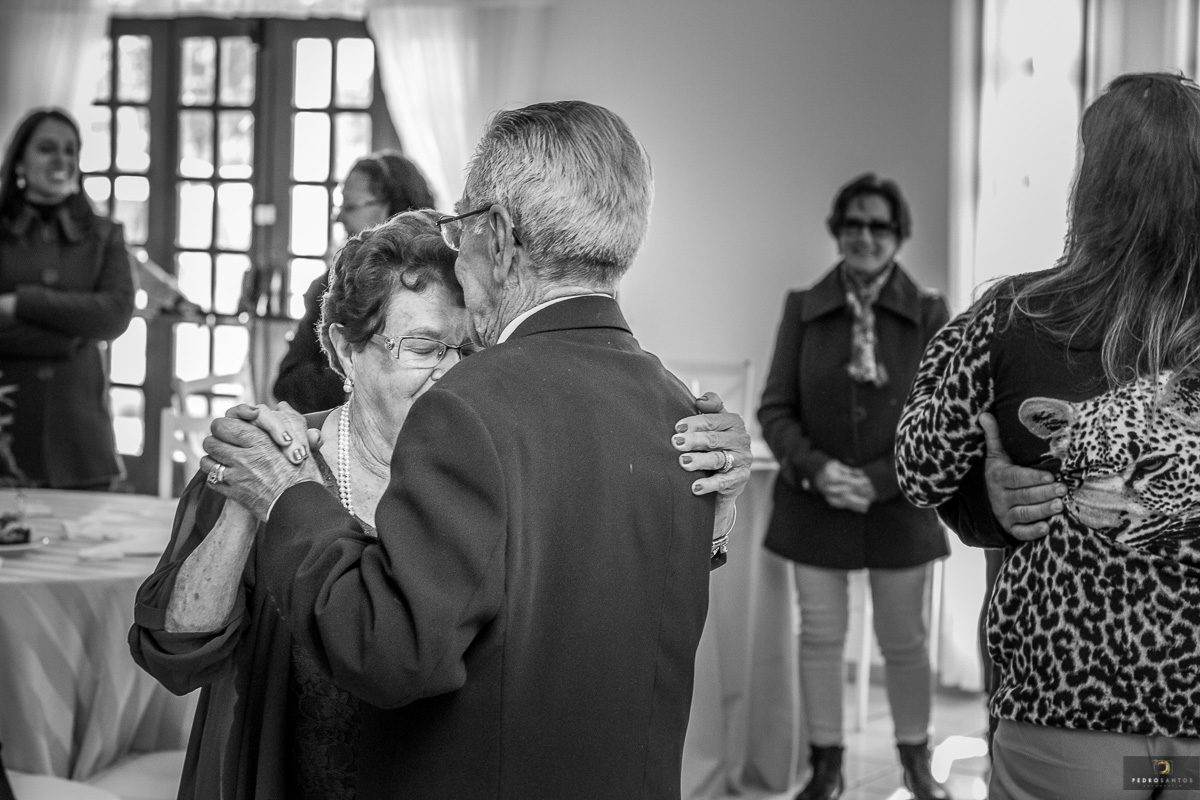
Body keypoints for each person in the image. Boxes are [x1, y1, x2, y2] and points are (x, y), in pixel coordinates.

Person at [147, 100, 752, 798]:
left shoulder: (476, 419)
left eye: (463, 349)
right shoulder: (669, 404)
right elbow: (175, 653)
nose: (447, 372)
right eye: (423, 346)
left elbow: (397, 648)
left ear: (499, 237)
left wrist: (286, 499)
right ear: (346, 349)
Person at [895, 72, 1200, 800]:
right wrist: (989, 498)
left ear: (1094, 187)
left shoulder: (1015, 314)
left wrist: (987, 473)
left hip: (1069, 705)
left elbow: (919, 466)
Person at [757, 173, 952, 800]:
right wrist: (818, 470)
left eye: (879, 225)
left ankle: (916, 762)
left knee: (905, 641)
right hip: (815, 502)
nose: (865, 236)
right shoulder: (802, 307)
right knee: (820, 638)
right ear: (837, 231)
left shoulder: (930, 312)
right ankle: (826, 767)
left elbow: (943, 419)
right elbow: (774, 409)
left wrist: (878, 480)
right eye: (853, 224)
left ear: (899, 234)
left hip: (899, 503)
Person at [0, 107, 134, 489]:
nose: (61, 159)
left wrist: (19, 304)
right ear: (19, 161)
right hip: (8, 431)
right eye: (46, 148)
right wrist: (73, 336)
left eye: (70, 150)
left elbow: (115, 315)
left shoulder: (105, 234)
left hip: (81, 441)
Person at [273, 151, 436, 413]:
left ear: (393, 207)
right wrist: (358, 374)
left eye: (349, 206)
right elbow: (288, 381)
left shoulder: (446, 283)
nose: (338, 218)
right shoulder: (331, 286)